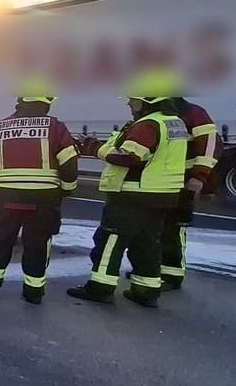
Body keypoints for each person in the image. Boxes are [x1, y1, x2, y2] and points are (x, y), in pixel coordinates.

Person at [68, 77, 188, 308]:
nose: (130, 105)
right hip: (163, 195)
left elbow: (129, 157)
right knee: (147, 243)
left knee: (110, 239)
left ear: (148, 100)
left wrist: (94, 148)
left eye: (133, 101)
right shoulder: (174, 123)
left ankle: (100, 288)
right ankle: (147, 291)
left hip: (134, 195)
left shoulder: (148, 125)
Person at [0, 87, 79, 304]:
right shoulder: (55, 127)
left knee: (1, 238)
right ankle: (33, 291)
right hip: (44, 197)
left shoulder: (0, 126)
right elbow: (68, 162)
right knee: (38, 242)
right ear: (46, 102)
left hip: (6, 194)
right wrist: (67, 188)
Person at [157, 96, 221, 290]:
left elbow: (211, 144)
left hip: (183, 181)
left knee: (173, 229)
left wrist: (199, 176)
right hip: (160, 182)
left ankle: (171, 274)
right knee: (156, 227)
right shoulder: (159, 113)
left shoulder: (192, 113)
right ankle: (153, 269)